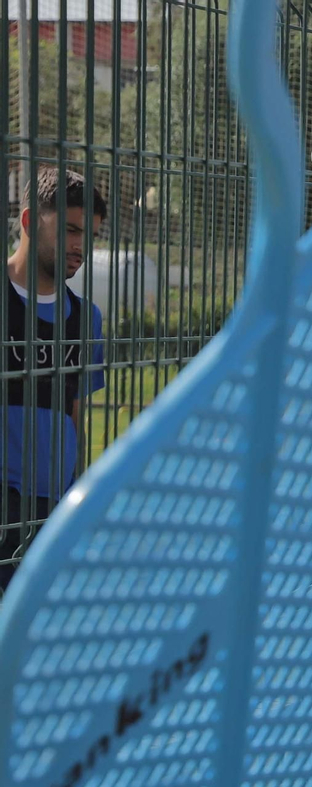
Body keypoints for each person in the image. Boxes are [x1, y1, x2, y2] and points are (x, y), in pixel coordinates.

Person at [3, 168, 107, 592]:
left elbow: (74, 412)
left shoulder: (86, 318)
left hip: (55, 512)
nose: (80, 245)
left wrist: (76, 496)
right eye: (69, 229)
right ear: (29, 221)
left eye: (91, 234)